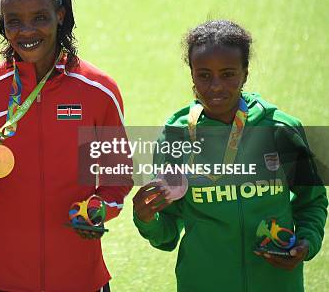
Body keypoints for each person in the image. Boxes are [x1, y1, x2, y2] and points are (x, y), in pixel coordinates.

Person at [0, 0, 131, 291]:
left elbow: (117, 178)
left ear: (60, 16)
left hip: (80, 276)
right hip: (1, 277)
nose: (27, 31)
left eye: (40, 17)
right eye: (14, 21)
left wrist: (97, 211)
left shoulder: (98, 90)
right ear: (2, 24)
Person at [132, 20, 327, 292]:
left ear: (245, 73)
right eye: (204, 75)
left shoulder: (279, 129)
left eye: (227, 74)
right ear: (192, 74)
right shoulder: (177, 135)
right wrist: (145, 218)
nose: (215, 86)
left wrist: (306, 243)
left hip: (277, 284)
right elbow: (166, 232)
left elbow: (312, 202)